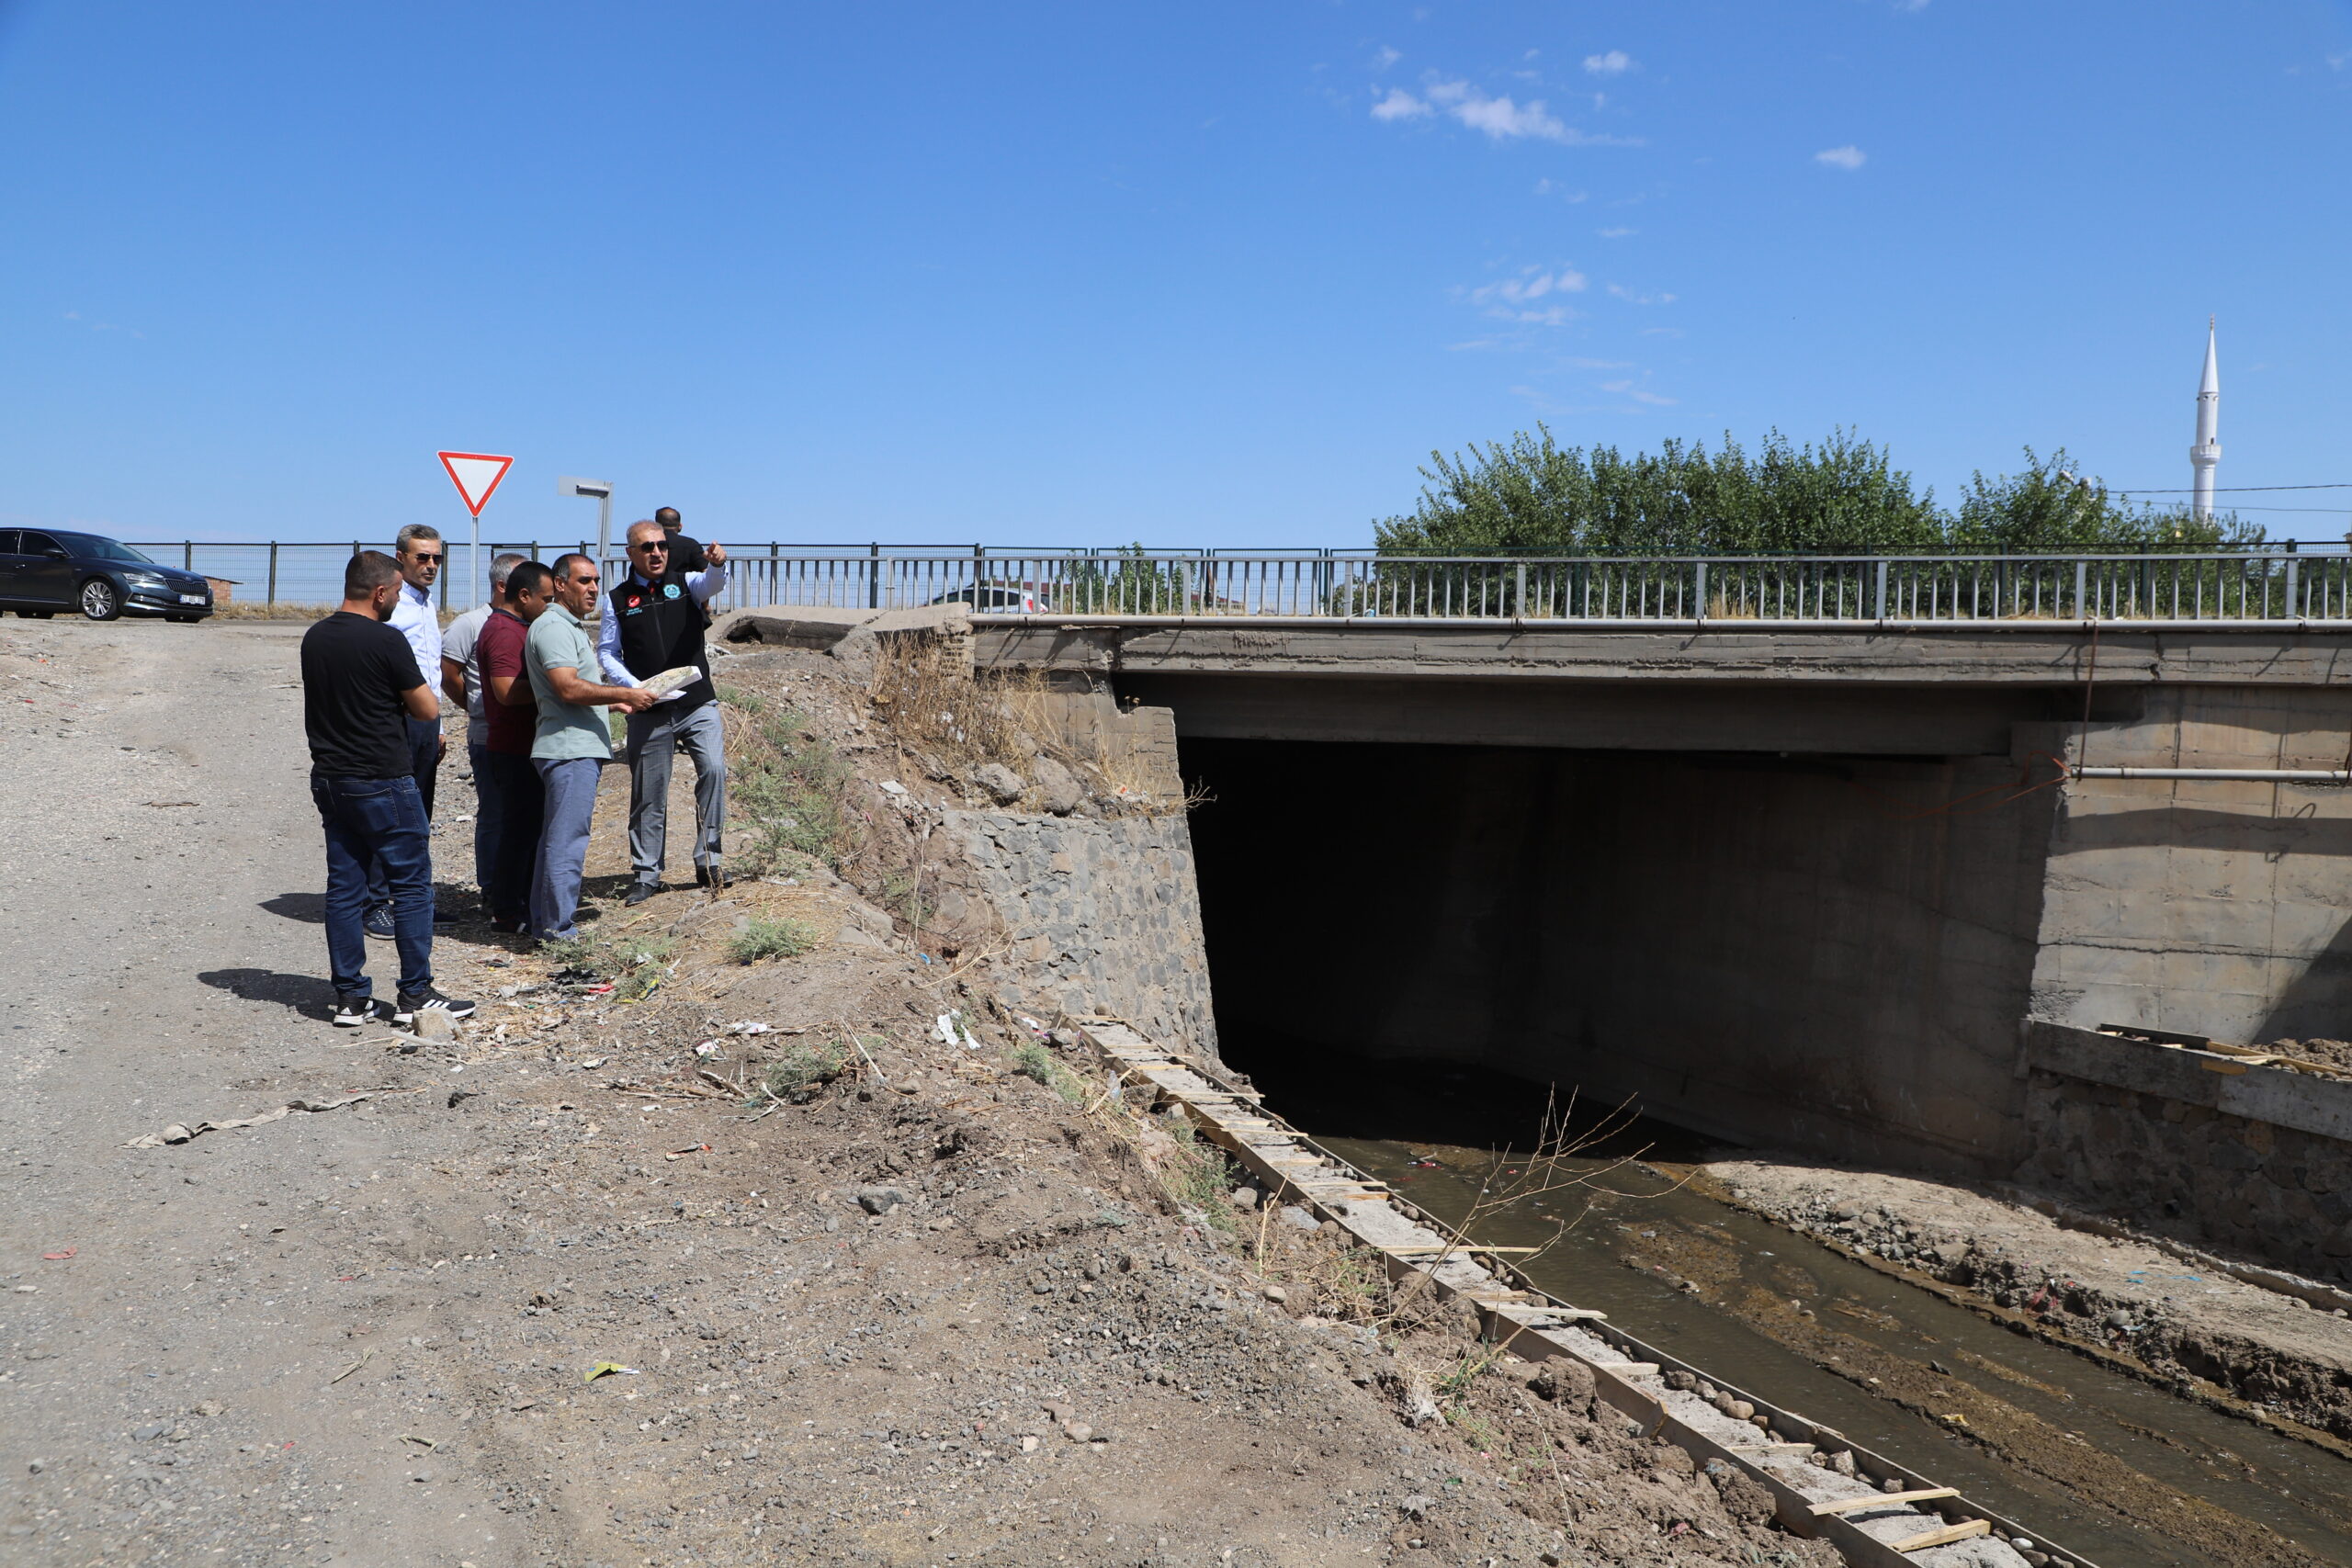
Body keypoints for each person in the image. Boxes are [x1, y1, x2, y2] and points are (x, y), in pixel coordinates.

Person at [300, 550, 474, 1028]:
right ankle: (415, 995)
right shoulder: (387, 640)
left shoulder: (315, 637)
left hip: (332, 779)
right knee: (413, 887)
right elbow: (425, 709)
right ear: (379, 592)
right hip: (384, 779)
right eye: (397, 592)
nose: (399, 600)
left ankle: (350, 999)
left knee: (344, 887)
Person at [598, 519, 731, 904]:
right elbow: (608, 651)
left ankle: (710, 860)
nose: (656, 553)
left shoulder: (686, 582)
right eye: (647, 547)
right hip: (650, 707)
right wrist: (635, 688)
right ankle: (646, 872)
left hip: (697, 701)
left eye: (661, 546)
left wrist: (718, 564)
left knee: (714, 771)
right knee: (648, 791)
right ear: (631, 554)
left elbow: (713, 585)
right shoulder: (617, 599)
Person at [525, 553, 656, 942]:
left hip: (574, 747)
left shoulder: (568, 626)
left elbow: (570, 688)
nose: (593, 588)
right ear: (560, 585)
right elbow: (566, 687)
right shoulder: (553, 627)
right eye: (584, 581)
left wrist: (612, 702)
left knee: (558, 839)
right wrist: (623, 691)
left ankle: (544, 923)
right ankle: (557, 930)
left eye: (596, 581)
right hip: (568, 750)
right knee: (567, 842)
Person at [364, 525, 450, 940]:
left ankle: (411, 901)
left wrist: (438, 724)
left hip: (423, 723)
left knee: (418, 815)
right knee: (392, 811)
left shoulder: (426, 605)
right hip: (396, 721)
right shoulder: (392, 607)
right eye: (422, 557)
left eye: (436, 557)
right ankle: (375, 903)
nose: (431, 565)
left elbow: (431, 670)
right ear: (401, 558)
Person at [441, 551, 528, 912]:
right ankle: (492, 888)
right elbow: (449, 676)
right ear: (503, 585)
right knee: (494, 812)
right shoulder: (471, 624)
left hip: (524, 735)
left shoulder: (529, 622)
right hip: (487, 735)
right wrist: (479, 709)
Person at [472, 558, 544, 931]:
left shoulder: (518, 626)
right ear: (523, 594)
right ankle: (507, 911)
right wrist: (558, 690)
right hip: (513, 747)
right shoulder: (502, 630)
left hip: (522, 744)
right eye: (545, 599)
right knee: (517, 832)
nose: (549, 607)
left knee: (526, 830)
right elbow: (504, 692)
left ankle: (520, 906)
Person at [652, 505, 707, 574]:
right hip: (684, 584)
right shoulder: (691, 544)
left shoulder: (648, 545)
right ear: (680, 526)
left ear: (656, 526)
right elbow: (705, 571)